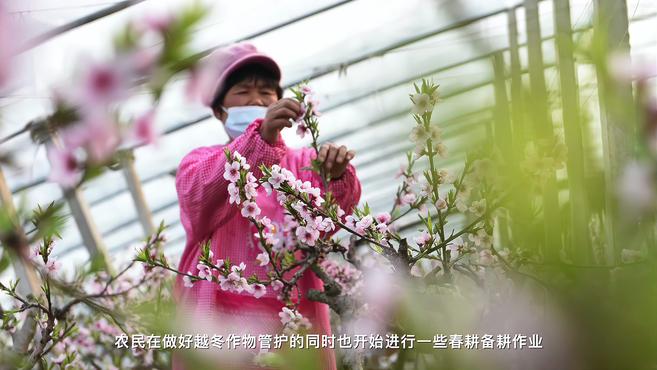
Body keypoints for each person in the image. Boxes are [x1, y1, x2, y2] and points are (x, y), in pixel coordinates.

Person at [172, 42, 361, 370]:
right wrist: (260, 140)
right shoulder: (201, 162)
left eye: (266, 93)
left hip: (292, 329)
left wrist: (336, 176)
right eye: (243, 92)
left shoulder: (305, 164)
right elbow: (201, 193)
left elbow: (328, 221)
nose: (257, 101)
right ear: (220, 111)